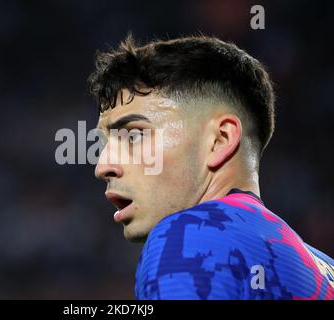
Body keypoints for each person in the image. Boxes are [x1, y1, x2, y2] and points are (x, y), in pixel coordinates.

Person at [88, 34, 334, 299]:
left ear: (220, 140)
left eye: (133, 136)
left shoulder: (192, 237)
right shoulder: (325, 269)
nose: (103, 166)